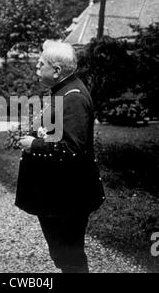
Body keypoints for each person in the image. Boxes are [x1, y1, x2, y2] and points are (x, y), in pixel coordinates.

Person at [15, 40, 105, 273]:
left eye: (41, 63)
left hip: (67, 197)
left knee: (69, 258)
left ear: (56, 71)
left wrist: (33, 143)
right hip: (60, 195)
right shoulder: (64, 91)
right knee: (64, 256)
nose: (36, 65)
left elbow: (73, 149)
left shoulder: (72, 97)